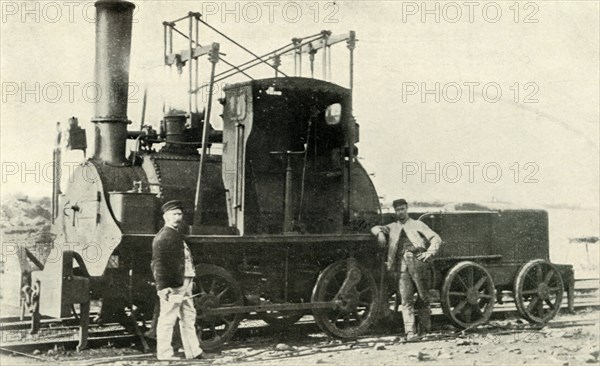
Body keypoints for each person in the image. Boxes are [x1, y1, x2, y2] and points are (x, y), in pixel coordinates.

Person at [371, 199, 442, 340]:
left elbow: (436, 238)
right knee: (406, 299)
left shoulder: (417, 224)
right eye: (397, 210)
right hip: (402, 266)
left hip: (418, 262)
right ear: (395, 211)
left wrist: (429, 253)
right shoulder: (392, 227)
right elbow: (375, 228)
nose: (400, 212)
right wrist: (379, 234)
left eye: (402, 209)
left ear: (407, 209)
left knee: (423, 297)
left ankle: (426, 330)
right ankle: (410, 332)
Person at [151, 200, 211, 360]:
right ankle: (164, 355)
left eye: (179, 214)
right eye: (174, 214)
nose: (177, 217)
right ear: (165, 217)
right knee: (168, 318)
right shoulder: (164, 237)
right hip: (174, 284)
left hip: (185, 281)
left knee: (189, 316)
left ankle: (194, 351)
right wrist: (162, 287)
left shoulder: (176, 235)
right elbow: (158, 264)